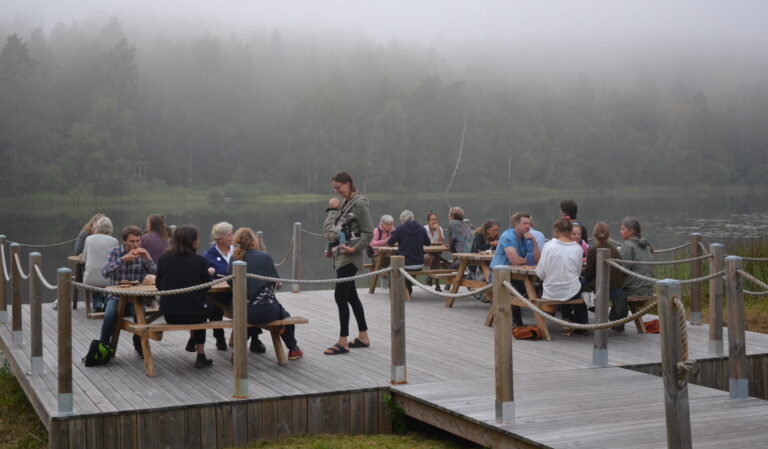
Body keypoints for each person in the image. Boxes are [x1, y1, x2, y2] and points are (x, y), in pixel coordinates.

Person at [231, 227, 303, 360]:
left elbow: (231, 284)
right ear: (253, 241)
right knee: (286, 319)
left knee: (248, 313)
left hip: (243, 312)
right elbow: (275, 283)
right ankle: (293, 349)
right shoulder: (265, 257)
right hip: (268, 311)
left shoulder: (234, 258)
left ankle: (238, 352)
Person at [322, 171, 373, 355]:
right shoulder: (344, 203)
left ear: (348, 184)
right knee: (351, 296)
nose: (337, 192)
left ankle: (342, 341)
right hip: (341, 255)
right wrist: (331, 247)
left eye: (339, 187)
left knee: (340, 296)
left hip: (351, 257)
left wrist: (355, 248)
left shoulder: (359, 203)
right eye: (334, 189)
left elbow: (368, 232)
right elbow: (339, 229)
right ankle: (363, 336)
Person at [156, 225, 216, 368]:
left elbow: (159, 285)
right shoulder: (200, 261)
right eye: (197, 239)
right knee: (202, 309)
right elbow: (206, 286)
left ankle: (192, 338)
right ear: (191, 241)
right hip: (196, 315)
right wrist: (209, 276)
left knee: (197, 306)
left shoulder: (164, 259)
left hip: (171, 314)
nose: (199, 241)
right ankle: (200, 355)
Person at [202, 221, 265, 352]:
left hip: (239, 292)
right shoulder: (207, 255)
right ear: (220, 240)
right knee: (212, 306)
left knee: (251, 301)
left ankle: (255, 339)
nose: (233, 237)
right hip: (219, 295)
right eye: (229, 235)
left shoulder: (240, 251)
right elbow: (204, 278)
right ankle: (219, 338)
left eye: (232, 233)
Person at [98, 226, 157, 357]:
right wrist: (123, 259)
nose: (136, 244)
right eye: (132, 241)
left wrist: (148, 257)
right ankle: (103, 347)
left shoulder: (142, 253)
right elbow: (105, 273)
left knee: (140, 315)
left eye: (138, 241)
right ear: (124, 241)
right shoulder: (114, 252)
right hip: (116, 295)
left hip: (135, 296)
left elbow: (156, 272)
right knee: (109, 316)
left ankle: (139, 345)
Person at [536, 218, 588, 335]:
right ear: (570, 232)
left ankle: (568, 320)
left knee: (572, 285)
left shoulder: (548, 246)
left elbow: (540, 273)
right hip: (571, 290)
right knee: (581, 286)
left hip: (551, 291)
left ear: (556, 230)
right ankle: (580, 322)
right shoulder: (578, 248)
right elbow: (577, 273)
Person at [490, 212, 542, 326]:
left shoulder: (526, 237)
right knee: (517, 290)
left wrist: (534, 241)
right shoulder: (507, 236)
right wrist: (529, 260)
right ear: (516, 224)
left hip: (518, 275)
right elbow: (515, 261)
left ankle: (544, 318)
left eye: (529, 224)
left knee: (539, 286)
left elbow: (537, 259)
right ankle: (517, 322)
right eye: (524, 223)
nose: (528, 226)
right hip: (500, 276)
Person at [583, 221, 625, 330]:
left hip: (603, 290)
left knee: (581, 286)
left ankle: (580, 321)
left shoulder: (593, 250)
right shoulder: (615, 250)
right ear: (608, 234)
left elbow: (589, 273)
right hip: (617, 289)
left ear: (594, 235)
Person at [617, 217, 655, 330]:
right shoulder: (646, 245)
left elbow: (622, 270)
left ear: (631, 231)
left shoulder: (628, 245)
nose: (620, 231)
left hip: (635, 289)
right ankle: (616, 321)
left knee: (613, 290)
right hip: (648, 288)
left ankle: (616, 322)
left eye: (623, 229)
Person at [387, 210, 431, 296]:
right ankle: (407, 287)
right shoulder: (421, 228)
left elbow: (390, 242)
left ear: (403, 220)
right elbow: (428, 243)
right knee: (406, 269)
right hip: (419, 264)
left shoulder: (400, 229)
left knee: (390, 269)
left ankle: (398, 289)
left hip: (406, 264)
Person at [82, 216, 118, 312]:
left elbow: (83, 258)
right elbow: (116, 262)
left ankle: (97, 302)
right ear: (110, 228)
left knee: (93, 274)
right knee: (105, 275)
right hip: (109, 280)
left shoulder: (88, 239)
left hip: (90, 279)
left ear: (97, 227)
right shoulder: (114, 241)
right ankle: (106, 300)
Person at [423, 211, 447, 291]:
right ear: (428, 221)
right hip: (425, 254)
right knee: (437, 260)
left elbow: (442, 243)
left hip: (436, 253)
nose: (435, 221)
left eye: (436, 219)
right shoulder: (424, 229)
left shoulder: (439, 229)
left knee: (435, 259)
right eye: (432, 219)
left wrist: (439, 231)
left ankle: (431, 278)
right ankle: (437, 284)